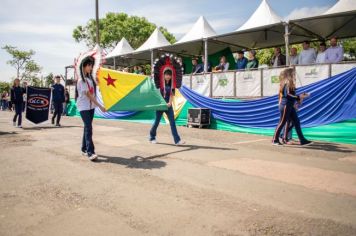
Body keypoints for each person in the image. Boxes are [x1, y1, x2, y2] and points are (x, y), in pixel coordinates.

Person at [76, 56, 106, 161]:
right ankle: (90, 152)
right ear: (83, 66)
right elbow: (88, 95)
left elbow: (98, 87)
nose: (90, 67)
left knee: (87, 127)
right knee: (89, 128)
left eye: (91, 65)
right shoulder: (81, 80)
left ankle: (84, 148)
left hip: (91, 107)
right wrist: (100, 106)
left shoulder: (90, 79)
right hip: (83, 107)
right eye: (88, 65)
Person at [272, 68, 312, 146]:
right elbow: (288, 95)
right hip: (286, 105)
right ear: (289, 74)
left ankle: (302, 140)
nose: (294, 75)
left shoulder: (288, 83)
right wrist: (298, 97)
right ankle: (275, 139)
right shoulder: (287, 82)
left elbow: (291, 94)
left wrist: (300, 96)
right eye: (293, 73)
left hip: (289, 105)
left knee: (296, 121)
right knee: (282, 122)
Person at [149, 69, 185, 146]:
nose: (168, 76)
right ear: (164, 75)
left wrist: (170, 103)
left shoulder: (172, 84)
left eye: (169, 75)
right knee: (156, 122)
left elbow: (172, 95)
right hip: (160, 105)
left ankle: (177, 140)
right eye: (166, 75)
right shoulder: (160, 84)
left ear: (171, 76)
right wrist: (161, 103)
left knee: (172, 123)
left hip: (168, 105)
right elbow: (157, 94)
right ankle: (152, 137)